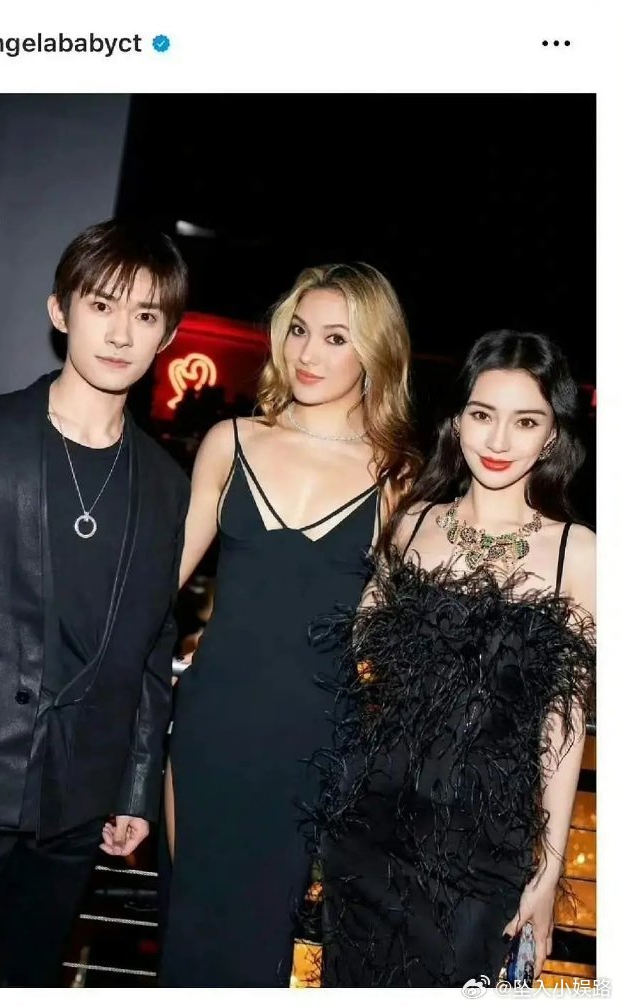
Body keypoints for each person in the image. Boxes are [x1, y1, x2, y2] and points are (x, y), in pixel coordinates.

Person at [0, 219, 190, 987]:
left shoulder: (167, 485)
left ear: (166, 335)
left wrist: (136, 785)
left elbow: (153, 647)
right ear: (60, 310)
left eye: (144, 314)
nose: (119, 333)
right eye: (101, 305)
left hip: (77, 800)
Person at [155, 262, 420, 986]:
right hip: (210, 724)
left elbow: (389, 639)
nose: (307, 353)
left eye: (335, 337)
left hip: (314, 742)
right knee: (190, 931)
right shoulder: (230, 441)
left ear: (374, 351)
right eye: (299, 330)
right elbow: (154, 589)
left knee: (259, 946)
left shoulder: (398, 478)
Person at [314, 330, 596, 987]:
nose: (498, 440)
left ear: (552, 435)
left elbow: (563, 724)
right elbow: (357, 656)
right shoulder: (412, 521)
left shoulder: (578, 553)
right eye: (482, 414)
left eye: (525, 421)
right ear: (456, 419)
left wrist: (549, 871)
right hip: (371, 830)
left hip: (484, 851)